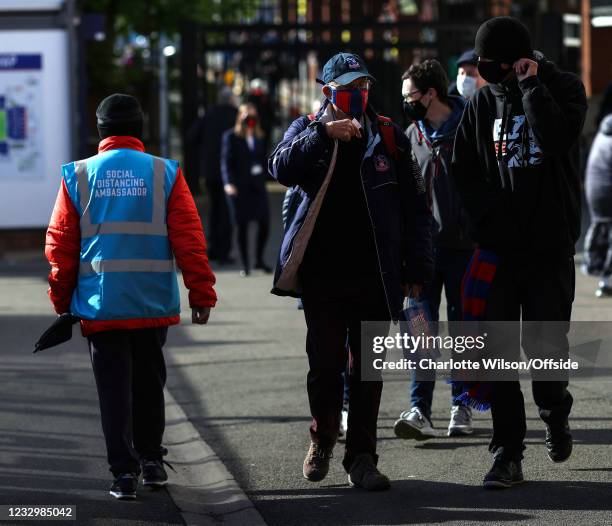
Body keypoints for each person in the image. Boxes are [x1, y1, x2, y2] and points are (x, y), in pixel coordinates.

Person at [269, 52, 433, 491]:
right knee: (324, 367)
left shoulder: (387, 136)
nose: (358, 93)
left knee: (368, 371)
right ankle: (322, 439)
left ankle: (362, 457)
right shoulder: (307, 129)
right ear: (328, 92)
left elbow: (417, 210)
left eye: (363, 86)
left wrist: (416, 266)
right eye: (348, 86)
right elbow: (280, 167)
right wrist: (324, 134)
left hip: (376, 277)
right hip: (322, 278)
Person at [45, 94, 217, 500]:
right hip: (151, 303)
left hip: (101, 306)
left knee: (113, 391)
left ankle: (123, 474)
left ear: (101, 129)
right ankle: (152, 461)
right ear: (140, 128)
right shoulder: (165, 173)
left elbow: (60, 245)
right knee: (149, 384)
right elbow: (190, 239)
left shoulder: (77, 175)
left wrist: (61, 299)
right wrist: (201, 292)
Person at [452, 17, 587, 489]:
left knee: (546, 348)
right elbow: (462, 168)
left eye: (495, 66)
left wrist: (532, 89)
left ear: (519, 62)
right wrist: (486, 222)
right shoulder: (482, 102)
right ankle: (508, 452)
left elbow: (555, 140)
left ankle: (555, 415)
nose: (485, 75)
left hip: (549, 249)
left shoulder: (565, 88)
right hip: (500, 251)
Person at [395, 59, 475, 440]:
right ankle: (420, 409)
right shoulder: (411, 135)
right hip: (422, 253)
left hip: (463, 248)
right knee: (420, 329)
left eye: (410, 95)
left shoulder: (469, 126)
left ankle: (462, 405)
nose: (405, 102)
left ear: (430, 94)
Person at [221, 103, 272, 276]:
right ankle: (245, 264)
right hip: (239, 188)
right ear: (240, 117)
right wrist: (228, 183)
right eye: (246, 116)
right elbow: (226, 162)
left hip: (258, 186)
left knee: (264, 224)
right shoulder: (231, 136)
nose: (250, 119)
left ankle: (259, 259)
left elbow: (264, 161)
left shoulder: (259, 136)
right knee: (241, 226)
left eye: (253, 116)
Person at [188, 87, 237, 264]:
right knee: (227, 212)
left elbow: (192, 136)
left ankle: (213, 248)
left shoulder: (209, 115)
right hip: (229, 172)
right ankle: (223, 251)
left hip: (210, 171)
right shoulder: (235, 116)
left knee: (214, 211)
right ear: (231, 99)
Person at [583, 114, 612, 297]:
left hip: (595, 190)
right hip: (607, 189)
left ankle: (605, 280)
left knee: (604, 232)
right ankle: (606, 279)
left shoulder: (604, 134)